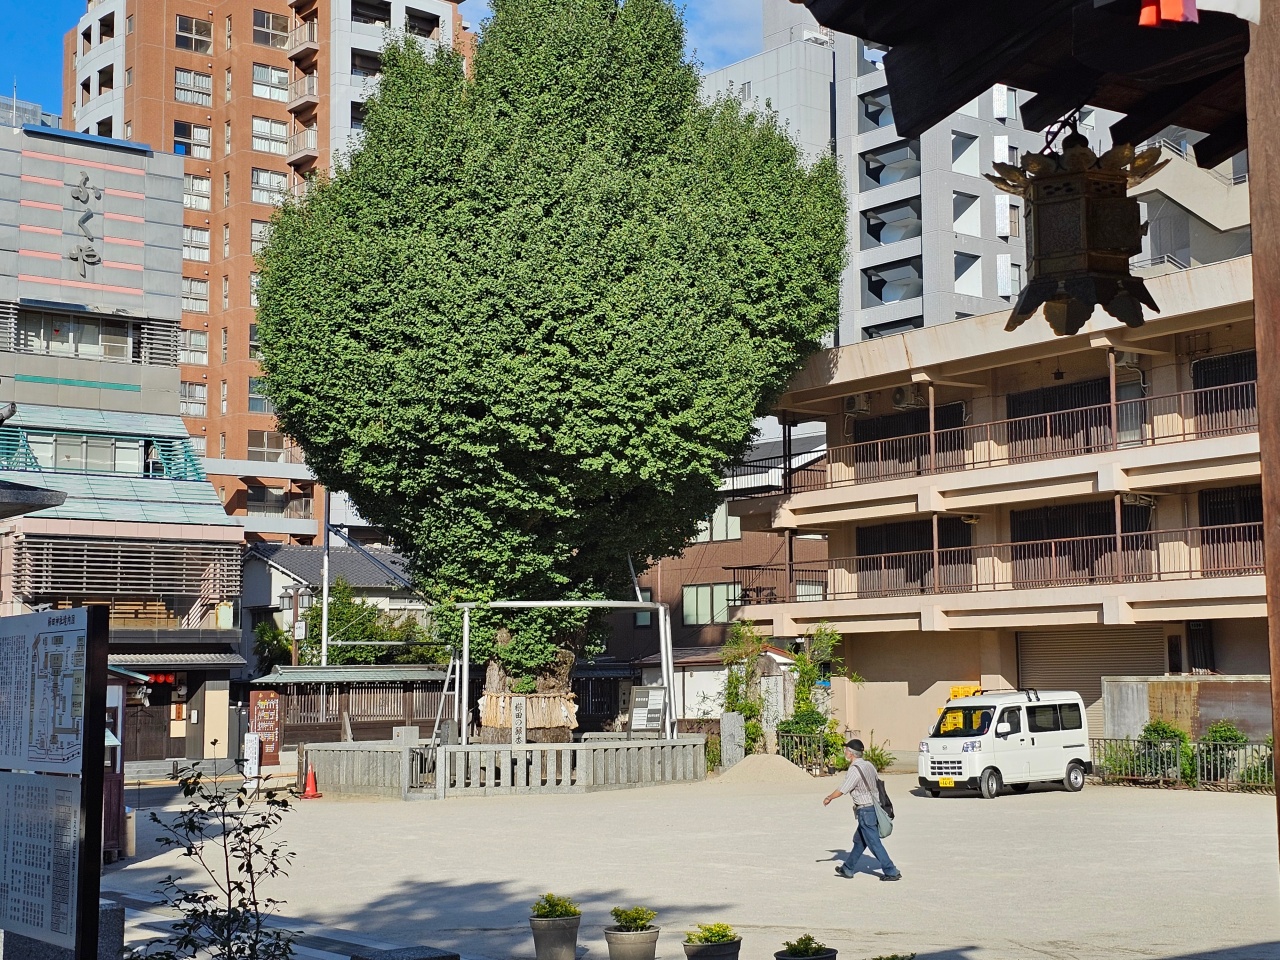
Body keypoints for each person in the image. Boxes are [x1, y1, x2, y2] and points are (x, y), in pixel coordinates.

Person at [822, 738, 902, 881]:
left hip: (865, 811)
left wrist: (829, 797)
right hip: (874, 808)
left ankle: (891, 871)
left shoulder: (854, 770)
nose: (844, 751)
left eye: (846, 750)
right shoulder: (869, 765)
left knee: (874, 843)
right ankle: (848, 868)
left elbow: (843, 789)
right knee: (859, 841)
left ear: (851, 753)